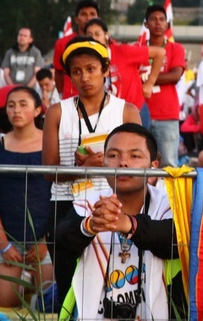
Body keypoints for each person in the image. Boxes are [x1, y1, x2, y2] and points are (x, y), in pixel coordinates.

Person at [42, 37, 141, 306]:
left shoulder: (127, 111)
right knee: (68, 283)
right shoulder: (57, 112)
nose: (84, 77)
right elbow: (49, 171)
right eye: (76, 71)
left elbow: (140, 163)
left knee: (114, 283)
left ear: (106, 70)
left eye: (91, 69)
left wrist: (108, 164)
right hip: (65, 204)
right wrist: (81, 170)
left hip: (115, 205)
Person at [55, 123, 183, 319]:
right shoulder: (88, 203)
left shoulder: (170, 205)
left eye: (135, 156)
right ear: (104, 162)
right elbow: (60, 244)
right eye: (113, 155)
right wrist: (90, 226)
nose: (123, 163)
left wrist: (130, 225)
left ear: (154, 166)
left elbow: (175, 241)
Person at [0, 87, 52, 307]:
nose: (16, 110)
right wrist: (3, 245)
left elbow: (64, 196)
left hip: (45, 238)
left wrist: (47, 241)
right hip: (7, 236)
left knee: (48, 302)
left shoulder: (51, 142)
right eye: (11, 105)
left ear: (38, 110)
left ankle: (28, 282)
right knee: (3, 303)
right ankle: (23, 280)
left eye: (23, 104)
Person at [84, 18, 165, 129]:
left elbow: (160, 53)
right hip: (107, 116)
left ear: (106, 35)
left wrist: (150, 83)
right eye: (89, 35)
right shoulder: (87, 60)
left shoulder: (122, 51)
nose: (93, 38)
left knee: (138, 146)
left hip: (135, 111)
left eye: (97, 34)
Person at [140, 4, 186, 168]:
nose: (158, 23)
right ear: (146, 24)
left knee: (168, 164)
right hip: (140, 112)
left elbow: (175, 75)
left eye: (161, 19)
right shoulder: (137, 49)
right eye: (153, 19)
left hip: (167, 114)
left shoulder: (176, 48)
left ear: (167, 24)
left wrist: (146, 78)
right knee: (139, 163)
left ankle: (169, 195)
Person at [52, 0, 100, 98]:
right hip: (71, 99)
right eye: (83, 14)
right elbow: (59, 72)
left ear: (98, 18)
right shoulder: (62, 43)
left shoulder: (106, 43)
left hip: (98, 100)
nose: (88, 18)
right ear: (76, 19)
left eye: (92, 14)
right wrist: (61, 94)